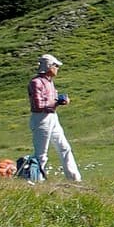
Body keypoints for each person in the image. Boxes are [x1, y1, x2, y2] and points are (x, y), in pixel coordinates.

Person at [28, 54, 81, 182]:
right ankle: (38, 179)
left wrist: (59, 101)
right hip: (41, 118)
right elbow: (38, 105)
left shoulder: (49, 82)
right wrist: (57, 103)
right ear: (49, 66)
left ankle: (74, 177)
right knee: (41, 152)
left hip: (52, 116)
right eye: (55, 66)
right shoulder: (36, 82)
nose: (57, 68)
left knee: (64, 147)